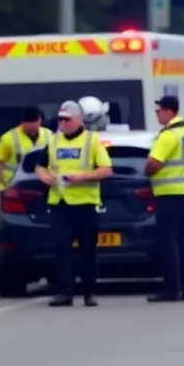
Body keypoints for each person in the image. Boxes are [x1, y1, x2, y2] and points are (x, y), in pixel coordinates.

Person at [26, 101, 113, 307]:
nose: (63, 123)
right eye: (60, 119)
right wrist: (43, 175)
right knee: (61, 248)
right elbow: (39, 166)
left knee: (88, 250)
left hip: (85, 203)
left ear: (79, 120)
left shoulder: (92, 141)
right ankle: (65, 293)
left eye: (67, 119)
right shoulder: (54, 141)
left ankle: (89, 293)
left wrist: (81, 177)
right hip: (60, 203)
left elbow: (107, 170)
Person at [144, 95, 184, 302]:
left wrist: (147, 171)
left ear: (169, 111)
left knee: (168, 242)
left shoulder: (168, 136)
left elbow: (154, 163)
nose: (157, 114)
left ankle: (171, 289)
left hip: (170, 194)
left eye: (158, 111)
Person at [0, 104, 53, 189]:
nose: (32, 126)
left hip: (43, 186)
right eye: (29, 123)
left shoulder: (49, 135)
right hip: (14, 187)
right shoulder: (8, 138)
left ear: (40, 120)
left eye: (35, 122)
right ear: (22, 122)